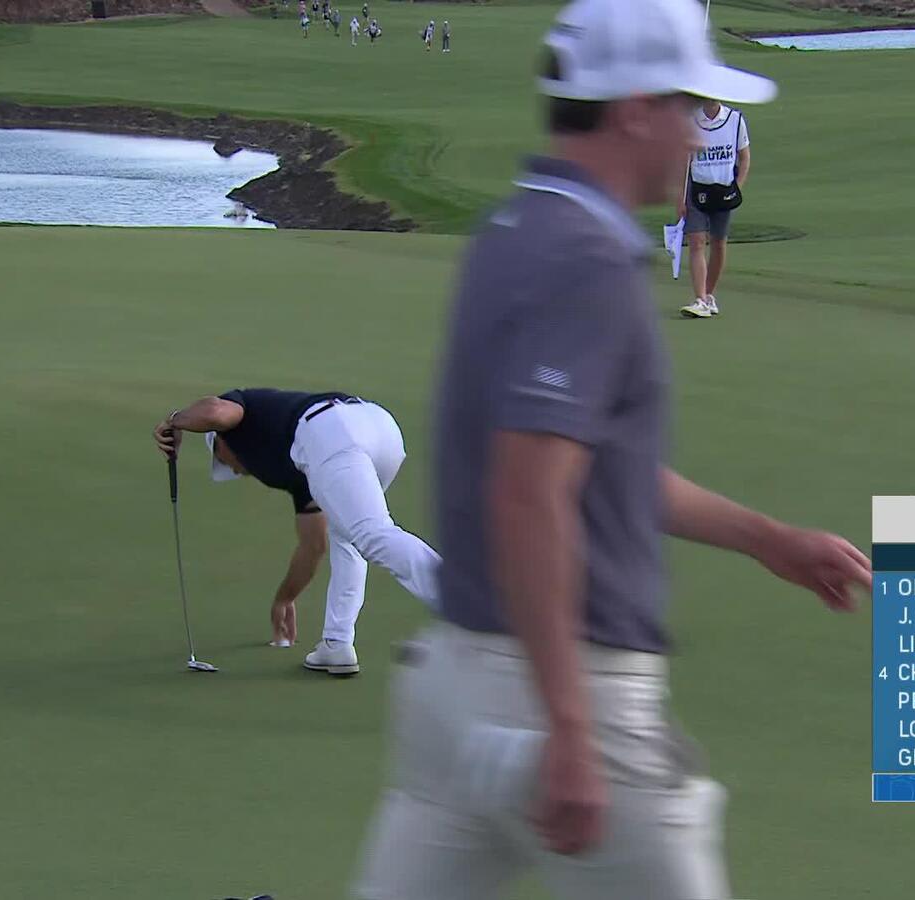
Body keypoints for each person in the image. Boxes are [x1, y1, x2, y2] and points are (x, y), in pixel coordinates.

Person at [354, 0, 870, 897]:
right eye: (690, 106)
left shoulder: (512, 232)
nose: (698, 133)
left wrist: (768, 539)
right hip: (570, 694)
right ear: (636, 106)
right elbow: (529, 491)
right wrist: (569, 728)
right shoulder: (587, 259)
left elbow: (589, 469)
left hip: (448, 697)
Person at [153, 390, 442, 676]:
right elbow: (314, 544)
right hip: (378, 429)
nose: (232, 469)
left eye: (221, 459)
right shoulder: (295, 467)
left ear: (220, 441)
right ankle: (337, 642)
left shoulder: (240, 419)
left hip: (330, 431)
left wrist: (175, 421)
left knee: (372, 534)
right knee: (348, 535)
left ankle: (464, 604)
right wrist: (285, 598)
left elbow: (215, 412)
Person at [678, 97, 751, 319]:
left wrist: (737, 188)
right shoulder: (690, 120)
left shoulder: (735, 120)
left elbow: (744, 157)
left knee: (719, 243)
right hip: (697, 189)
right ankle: (700, 298)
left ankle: (709, 295)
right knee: (697, 242)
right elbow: (683, 161)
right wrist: (679, 197)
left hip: (724, 190)